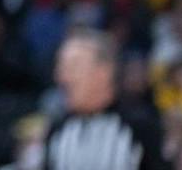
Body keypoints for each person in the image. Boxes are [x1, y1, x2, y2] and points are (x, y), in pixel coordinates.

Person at [44, 28, 167, 170]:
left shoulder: (141, 127)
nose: (61, 77)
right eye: (61, 67)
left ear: (104, 72)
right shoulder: (58, 130)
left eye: (73, 66)